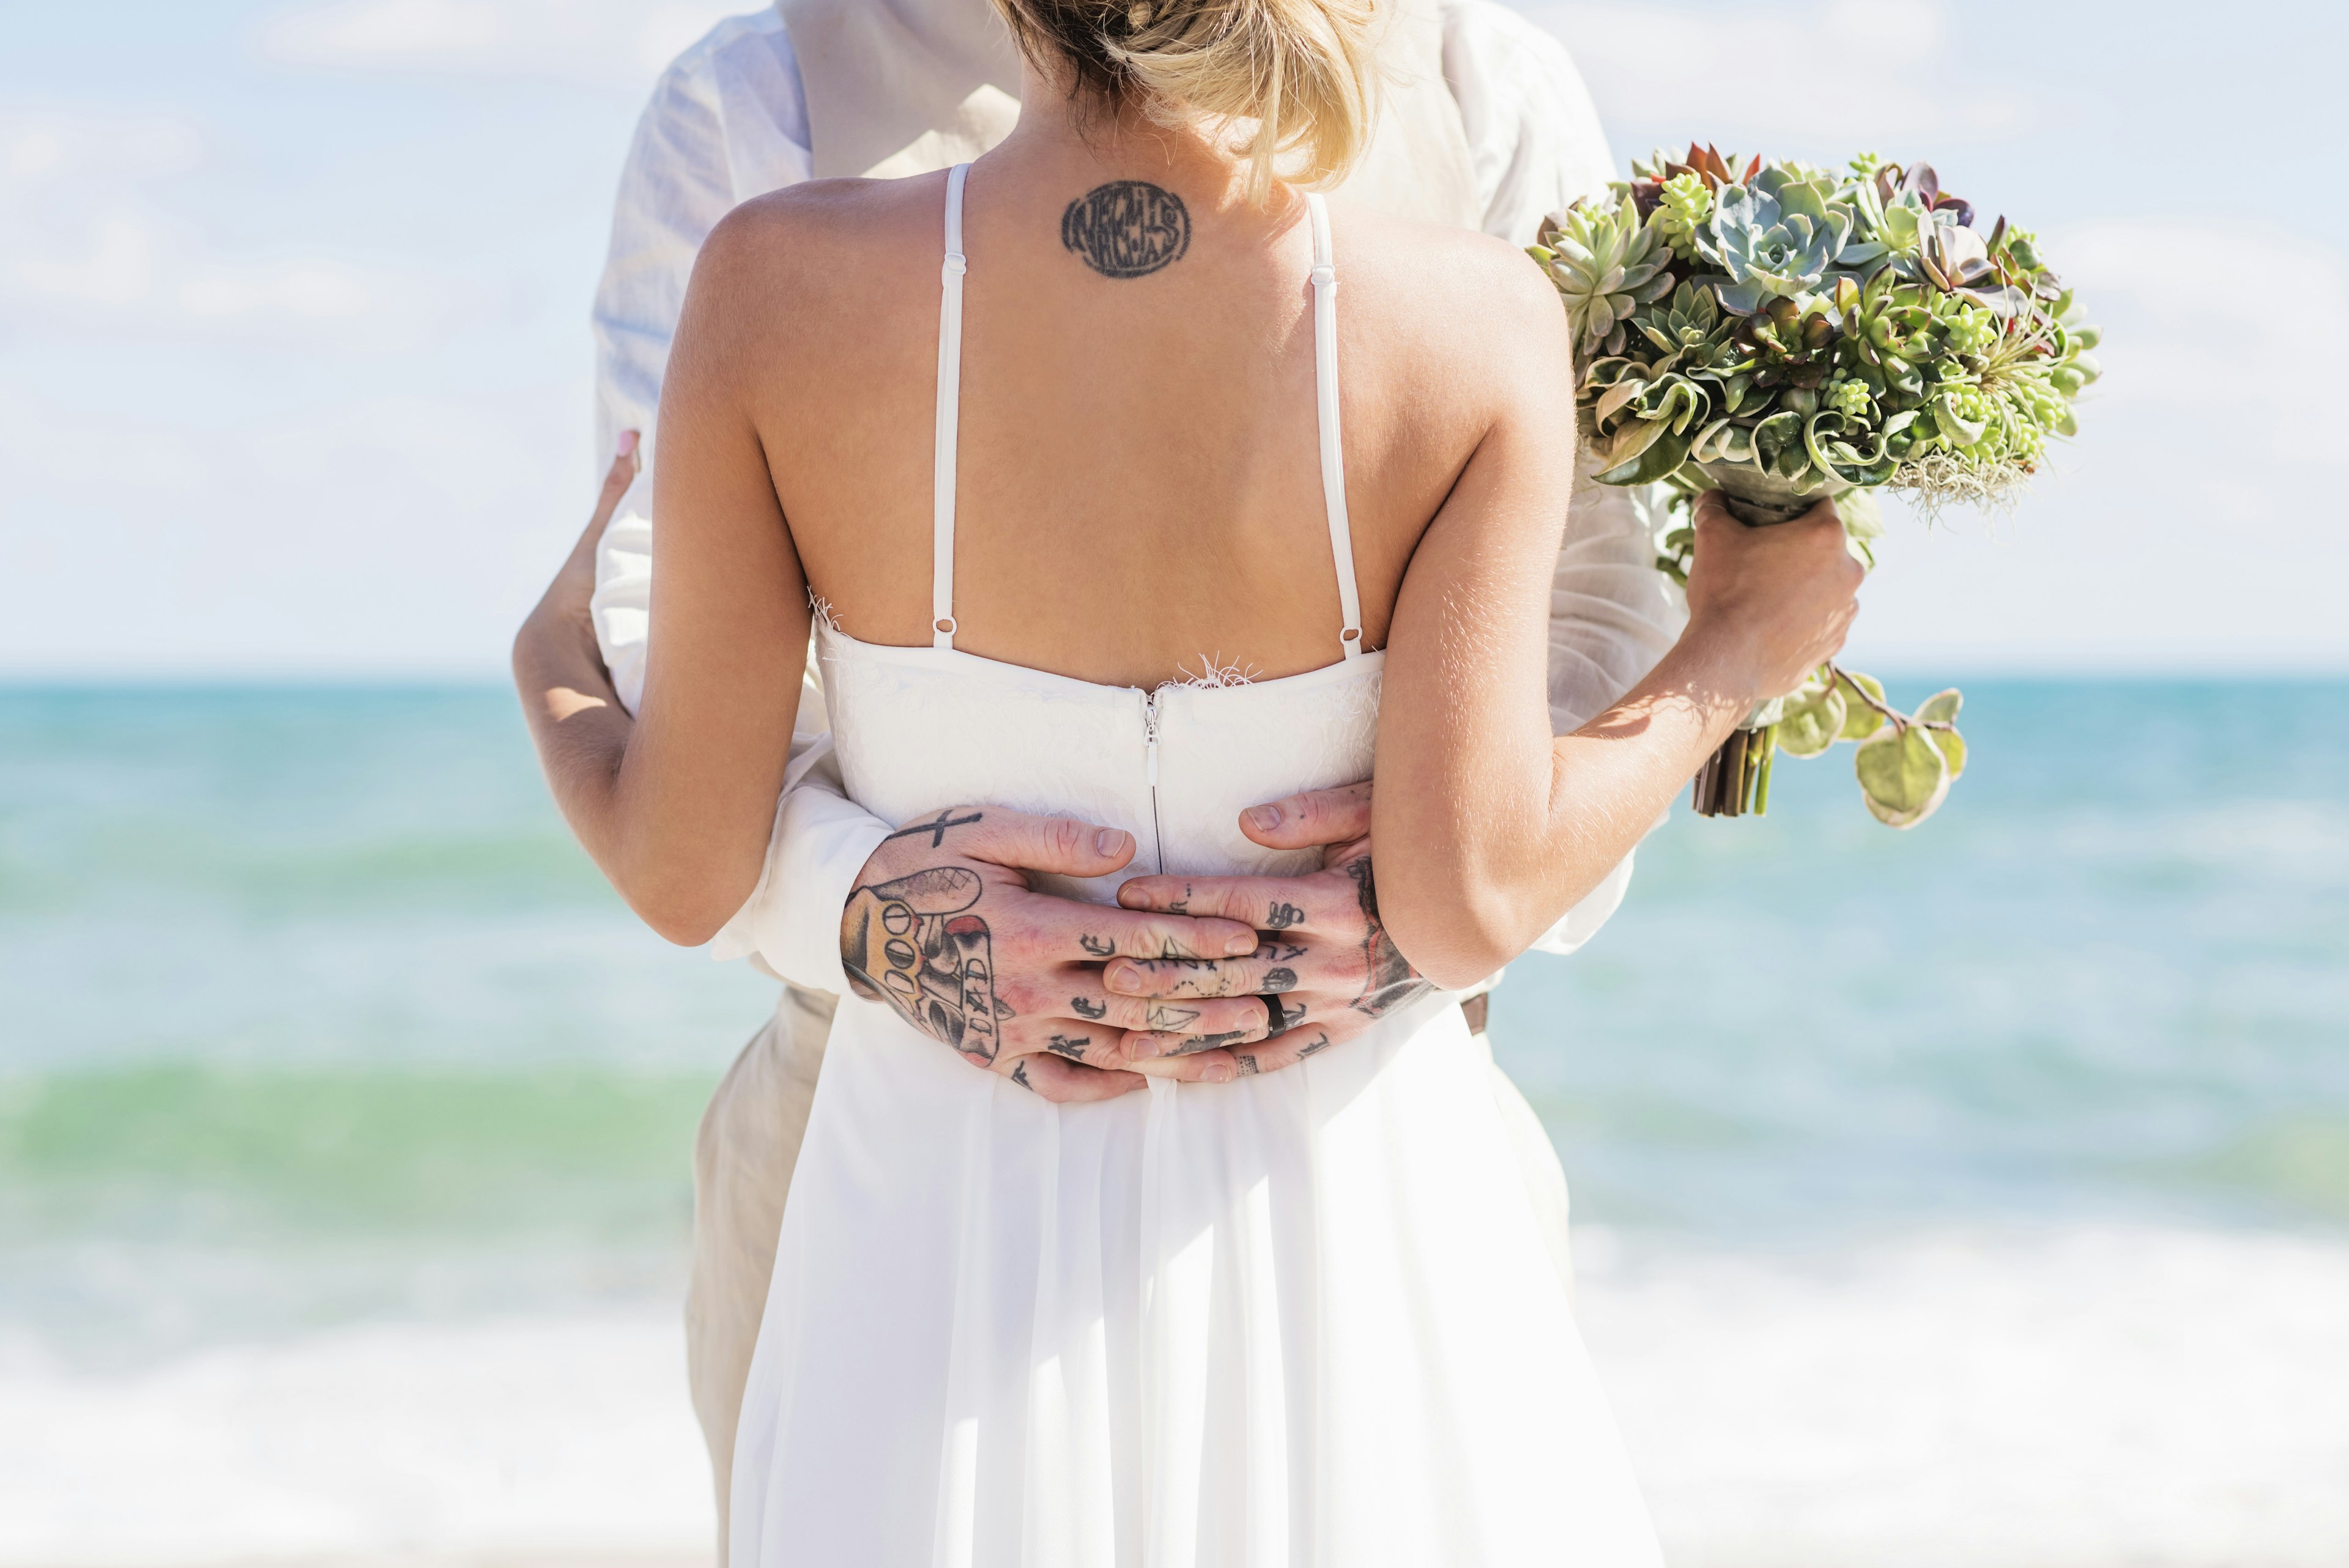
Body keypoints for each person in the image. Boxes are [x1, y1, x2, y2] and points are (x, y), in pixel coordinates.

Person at [516, 0, 1862, 1556]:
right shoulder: (1481, 321)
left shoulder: (769, 282)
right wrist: (1739, 653)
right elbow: (1479, 884)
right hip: (1349, 1194)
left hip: (925, 1229)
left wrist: (546, 676)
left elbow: (681, 843)